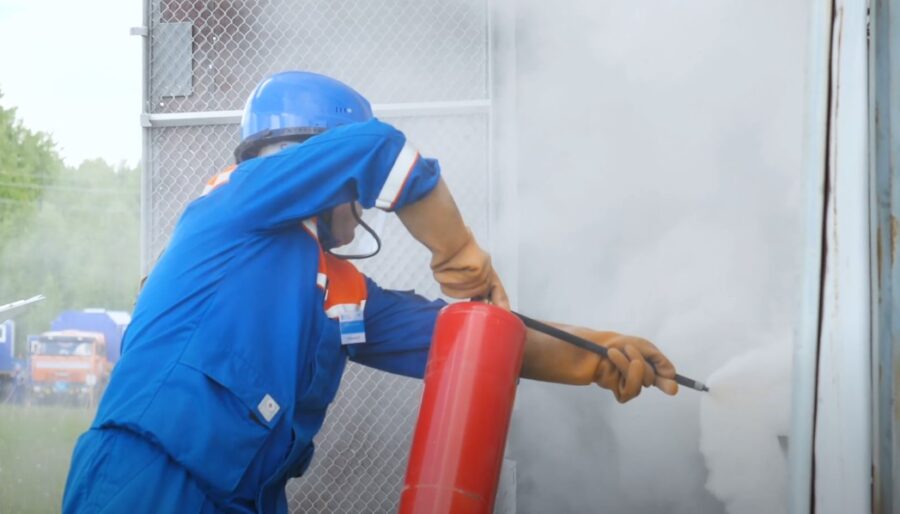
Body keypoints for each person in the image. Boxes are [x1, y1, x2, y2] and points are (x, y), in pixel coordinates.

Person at [62, 71, 679, 514]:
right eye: (353, 198)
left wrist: (599, 356)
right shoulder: (235, 201)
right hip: (150, 479)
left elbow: (461, 340)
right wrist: (460, 256)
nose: (360, 216)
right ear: (311, 164)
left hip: (243, 498)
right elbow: (378, 146)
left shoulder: (337, 288)